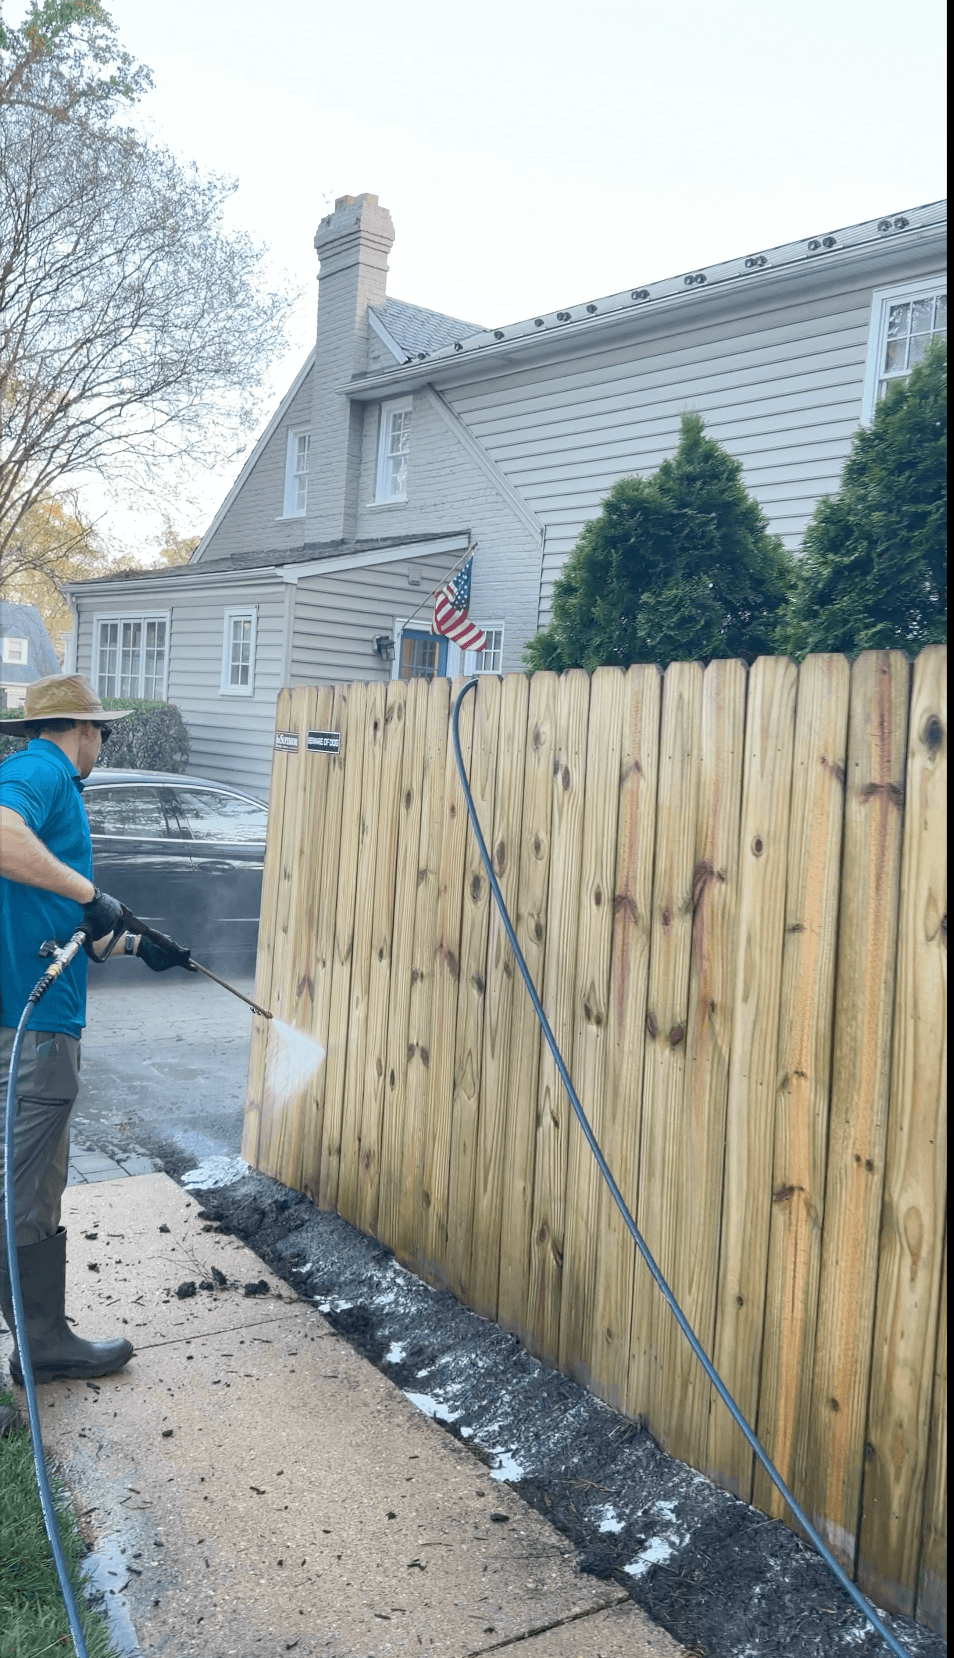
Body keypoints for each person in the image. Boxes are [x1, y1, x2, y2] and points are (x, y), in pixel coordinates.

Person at [0, 674, 189, 1432]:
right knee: (20, 1193)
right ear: (82, 729)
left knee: (35, 1188)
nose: (102, 744)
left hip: (31, 1013)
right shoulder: (43, 771)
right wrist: (89, 893)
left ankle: (44, 1341)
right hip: (34, 1029)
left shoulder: (39, 779)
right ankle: (42, 1344)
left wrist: (139, 944)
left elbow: (59, 919)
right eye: (100, 731)